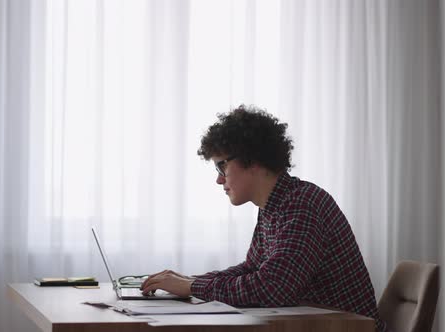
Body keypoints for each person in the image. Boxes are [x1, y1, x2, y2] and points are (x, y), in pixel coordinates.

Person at [140, 105, 388, 332]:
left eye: (221, 167)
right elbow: (253, 269)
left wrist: (193, 287)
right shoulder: (274, 206)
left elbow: (273, 288)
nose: (218, 179)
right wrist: (191, 280)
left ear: (253, 160)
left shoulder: (302, 205)